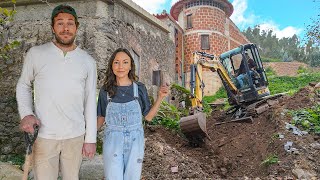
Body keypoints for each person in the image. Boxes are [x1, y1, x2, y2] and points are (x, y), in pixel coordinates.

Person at [16, 4, 97, 179]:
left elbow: (91, 99)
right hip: (44, 136)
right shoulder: (36, 54)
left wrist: (90, 138)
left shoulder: (88, 61)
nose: (65, 28)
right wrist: (26, 114)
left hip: (75, 135)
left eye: (70, 23)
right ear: (53, 27)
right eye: (60, 23)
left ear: (76, 27)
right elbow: (23, 85)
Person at [97, 48, 169, 180]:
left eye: (125, 62)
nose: (120, 67)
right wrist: (88, 139)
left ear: (130, 66)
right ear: (111, 66)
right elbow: (101, 117)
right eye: (116, 62)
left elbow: (148, 117)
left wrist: (160, 97)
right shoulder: (105, 90)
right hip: (112, 141)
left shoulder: (139, 88)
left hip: (135, 141)